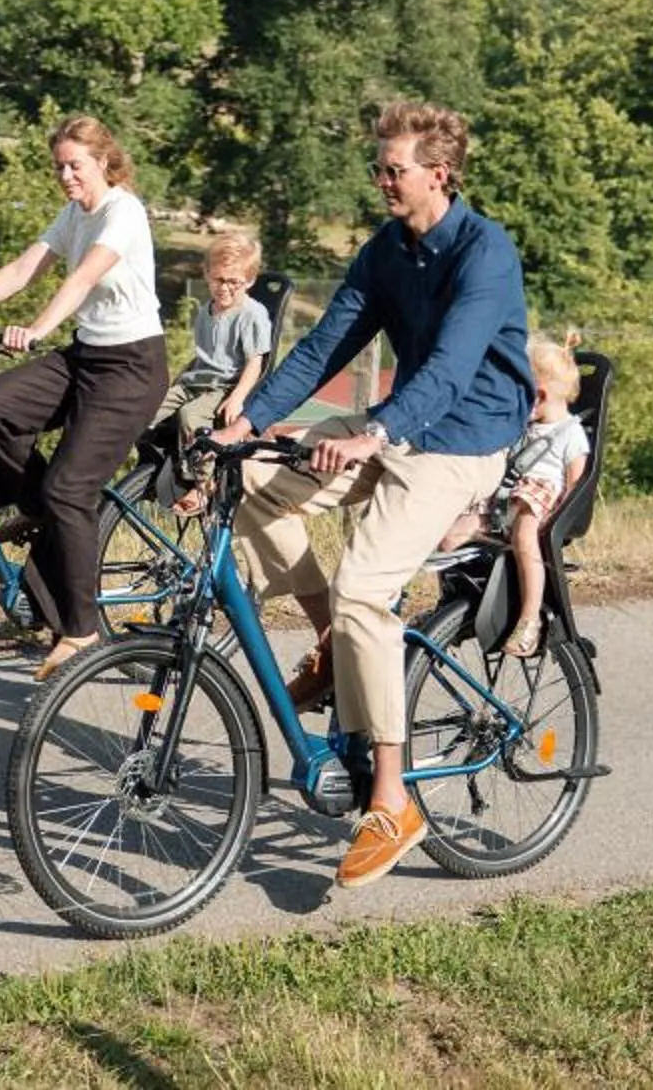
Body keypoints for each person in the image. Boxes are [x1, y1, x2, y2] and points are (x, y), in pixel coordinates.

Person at [211, 100, 531, 891]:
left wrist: (375, 433)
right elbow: (325, 345)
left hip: (463, 440)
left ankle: (392, 801)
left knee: (365, 587)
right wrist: (244, 421)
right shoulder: (387, 250)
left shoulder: (484, 254)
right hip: (398, 427)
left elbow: (453, 368)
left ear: (439, 174)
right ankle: (331, 643)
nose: (382, 180)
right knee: (253, 482)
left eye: (395, 168)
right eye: (378, 167)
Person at [0, 115, 168, 679]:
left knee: (70, 487)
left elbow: (82, 278)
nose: (65, 175)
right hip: (87, 356)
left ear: (105, 163)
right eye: (59, 165)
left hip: (131, 368)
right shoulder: (73, 214)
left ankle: (81, 631)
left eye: (75, 165)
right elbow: (22, 268)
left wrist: (35, 328)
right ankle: (38, 512)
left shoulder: (122, 212)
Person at [126, 228, 271, 509]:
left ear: (250, 280)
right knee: (145, 410)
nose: (225, 287)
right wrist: (177, 382)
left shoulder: (252, 315)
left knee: (190, 416)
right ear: (206, 273)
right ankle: (154, 468)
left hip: (225, 385)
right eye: (218, 279)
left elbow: (256, 362)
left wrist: (238, 397)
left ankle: (203, 484)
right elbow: (202, 357)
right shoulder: (206, 310)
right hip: (197, 380)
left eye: (234, 282)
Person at [469, 328, 590, 660]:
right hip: (509, 492)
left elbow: (576, 483)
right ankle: (456, 604)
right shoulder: (526, 427)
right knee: (455, 530)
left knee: (524, 536)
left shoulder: (571, 433)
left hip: (538, 499)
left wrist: (554, 521)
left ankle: (529, 617)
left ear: (538, 395)